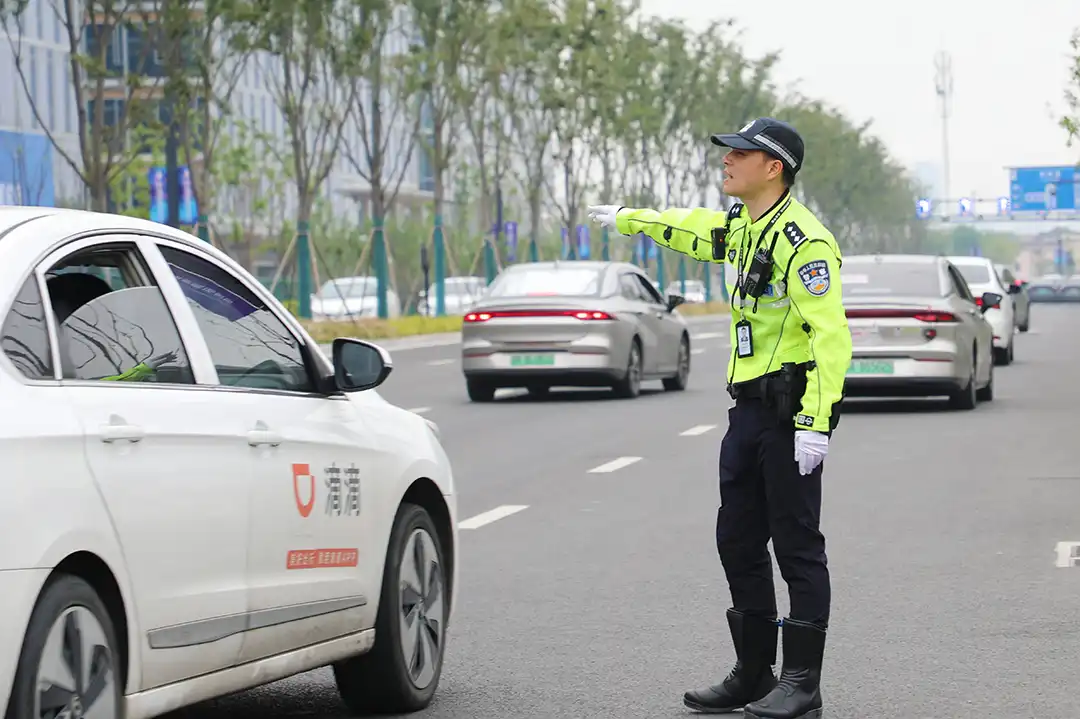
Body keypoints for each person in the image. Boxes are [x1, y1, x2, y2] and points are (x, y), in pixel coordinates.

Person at [587, 117, 852, 719]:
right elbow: (687, 227)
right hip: (747, 411)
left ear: (773, 168)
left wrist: (815, 423)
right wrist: (628, 218)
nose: (727, 161)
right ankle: (755, 672)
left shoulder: (805, 243)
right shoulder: (743, 226)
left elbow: (831, 337)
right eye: (728, 152)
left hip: (790, 413)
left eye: (740, 153)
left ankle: (802, 682)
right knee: (736, 538)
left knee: (796, 545)